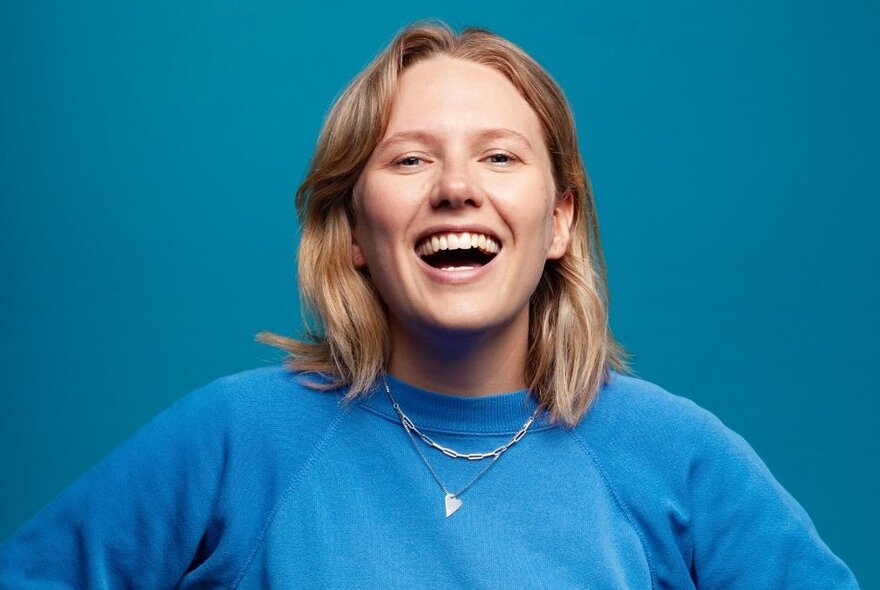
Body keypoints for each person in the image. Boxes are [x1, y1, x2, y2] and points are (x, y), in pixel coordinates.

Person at [0, 21, 860, 589]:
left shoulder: (677, 457)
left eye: (498, 158)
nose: (456, 188)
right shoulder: (234, 438)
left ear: (558, 219)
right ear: (350, 231)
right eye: (410, 160)